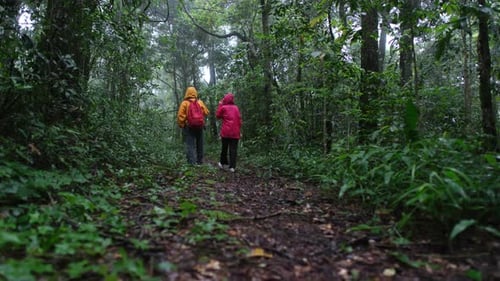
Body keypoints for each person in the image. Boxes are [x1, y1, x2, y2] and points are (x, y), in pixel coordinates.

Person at [177, 86, 210, 165]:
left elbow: (180, 116)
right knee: (200, 144)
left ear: (187, 93)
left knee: (190, 145)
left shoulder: (184, 103)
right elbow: (206, 112)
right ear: (195, 93)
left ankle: (191, 163)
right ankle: (200, 161)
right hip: (199, 126)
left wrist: (182, 125)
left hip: (189, 127)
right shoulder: (199, 102)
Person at [216, 92, 242, 172]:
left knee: (224, 148)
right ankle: (232, 167)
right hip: (235, 132)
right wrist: (239, 130)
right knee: (233, 149)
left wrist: (220, 104)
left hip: (226, 132)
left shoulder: (223, 107)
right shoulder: (236, 108)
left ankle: (222, 163)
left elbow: (217, 116)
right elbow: (239, 120)